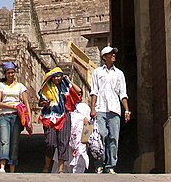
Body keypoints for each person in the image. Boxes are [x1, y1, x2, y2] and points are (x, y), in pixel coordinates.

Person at [89, 46, 130, 174]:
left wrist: (127, 111)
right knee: (101, 136)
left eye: (113, 53)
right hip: (100, 108)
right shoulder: (97, 72)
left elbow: (122, 93)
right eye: (110, 54)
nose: (113, 55)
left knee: (113, 138)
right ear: (104, 57)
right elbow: (94, 91)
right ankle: (99, 163)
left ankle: (110, 165)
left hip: (114, 109)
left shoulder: (119, 74)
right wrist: (92, 108)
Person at [37, 66, 80, 173]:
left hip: (64, 115)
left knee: (63, 141)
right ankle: (47, 165)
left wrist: (69, 80)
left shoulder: (66, 86)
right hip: (50, 116)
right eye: (54, 77)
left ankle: (61, 168)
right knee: (50, 142)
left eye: (59, 76)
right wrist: (44, 103)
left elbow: (78, 91)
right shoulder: (46, 88)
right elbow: (40, 102)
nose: (57, 79)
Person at [0, 61, 30, 173]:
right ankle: (2, 166)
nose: (11, 75)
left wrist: (29, 119)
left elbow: (26, 103)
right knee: (4, 140)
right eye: (8, 73)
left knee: (14, 142)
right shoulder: (1, 86)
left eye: (12, 72)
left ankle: (13, 167)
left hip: (16, 117)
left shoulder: (20, 86)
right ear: (5, 74)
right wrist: (11, 105)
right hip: (4, 116)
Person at [67, 89, 92, 173]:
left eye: (79, 94)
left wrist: (86, 137)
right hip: (68, 137)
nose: (77, 96)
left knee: (80, 154)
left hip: (80, 137)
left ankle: (78, 172)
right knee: (68, 157)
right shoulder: (67, 106)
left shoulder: (84, 107)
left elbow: (88, 122)